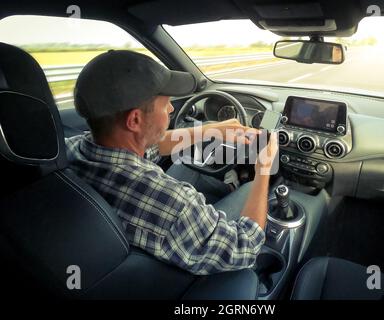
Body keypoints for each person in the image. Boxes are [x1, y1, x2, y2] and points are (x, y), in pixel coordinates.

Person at [65, 50, 278, 275]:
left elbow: (149, 147)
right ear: (135, 119)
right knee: (250, 188)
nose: (172, 109)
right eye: (165, 103)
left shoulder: (71, 149)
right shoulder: (172, 204)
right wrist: (263, 168)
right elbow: (245, 246)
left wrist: (210, 130)